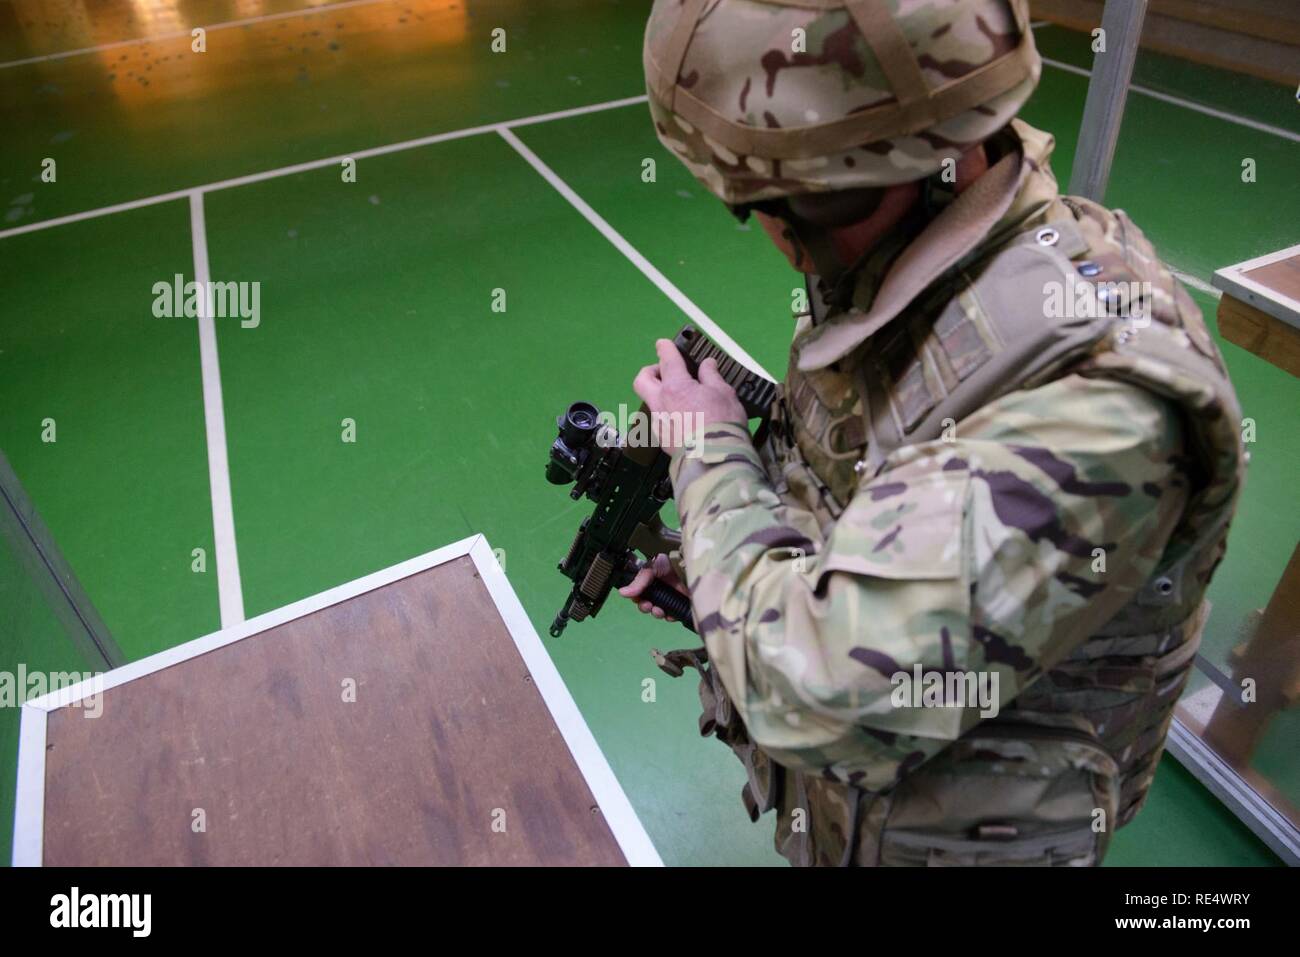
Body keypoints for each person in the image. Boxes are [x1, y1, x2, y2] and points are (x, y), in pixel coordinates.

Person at [619, 0, 1244, 866]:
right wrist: (715, 562)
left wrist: (708, 457)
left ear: (831, 193)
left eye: (750, 202)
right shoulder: (925, 274)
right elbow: (861, 486)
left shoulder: (1104, 400)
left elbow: (819, 694)